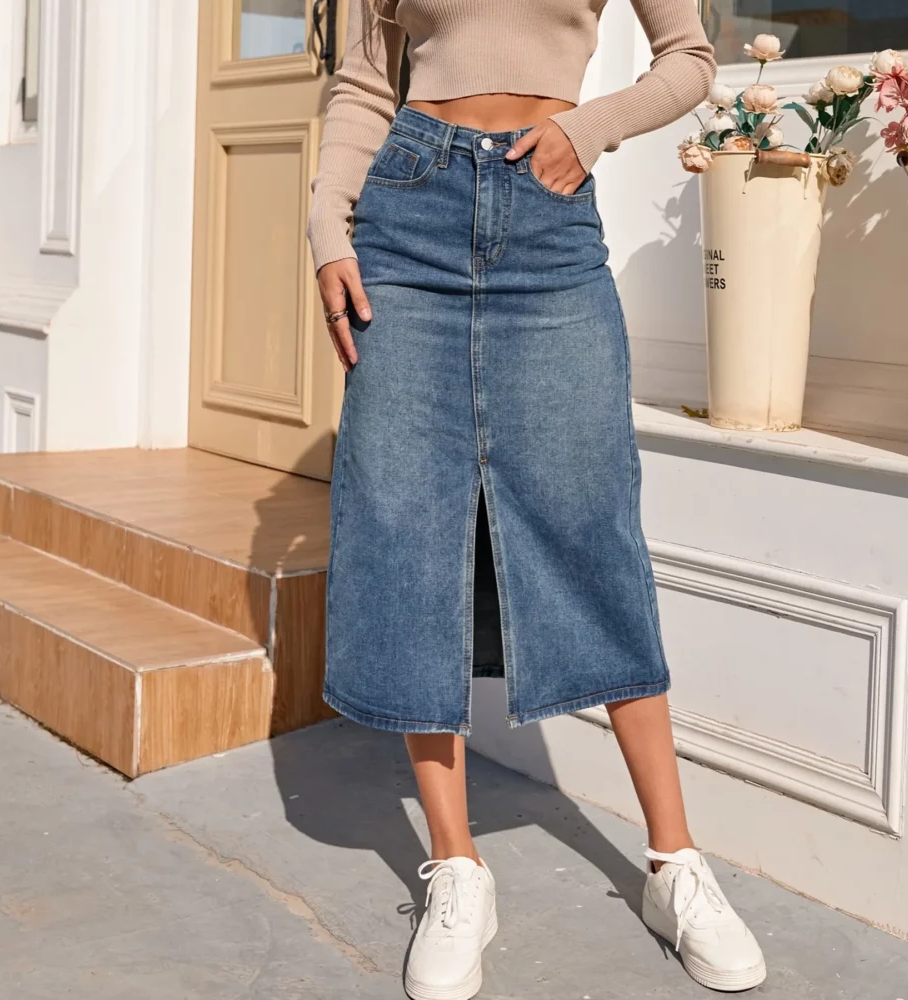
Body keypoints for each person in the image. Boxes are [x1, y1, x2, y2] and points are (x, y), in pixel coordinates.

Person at [306, 2, 766, 996]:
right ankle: (457, 863)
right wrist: (325, 229)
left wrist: (585, 129)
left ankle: (674, 863)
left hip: (548, 220)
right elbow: (362, 85)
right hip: (406, 217)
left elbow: (690, 63)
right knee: (406, 526)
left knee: (589, 522)